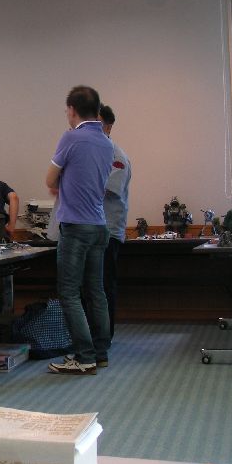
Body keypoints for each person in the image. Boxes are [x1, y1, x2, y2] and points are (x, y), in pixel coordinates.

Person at [45, 85, 113, 375]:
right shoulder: (107, 143)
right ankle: (100, 353)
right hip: (99, 226)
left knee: (69, 293)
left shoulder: (70, 137)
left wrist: (62, 182)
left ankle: (84, 356)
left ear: (72, 110)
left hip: (75, 226)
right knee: (96, 291)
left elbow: (50, 179)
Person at [99, 104, 131, 340]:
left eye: (96, 124)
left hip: (107, 231)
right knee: (88, 286)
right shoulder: (91, 155)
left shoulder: (116, 156)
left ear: (108, 127)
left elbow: (107, 190)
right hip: (89, 230)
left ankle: (104, 336)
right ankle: (91, 335)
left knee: (104, 284)